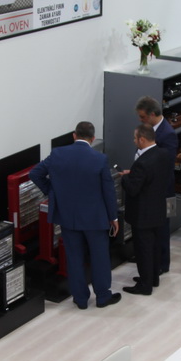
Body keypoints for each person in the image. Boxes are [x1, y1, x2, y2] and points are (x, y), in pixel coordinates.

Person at [30, 121, 121, 310]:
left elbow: (35, 174)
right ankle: (103, 296)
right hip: (95, 218)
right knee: (100, 258)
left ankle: (80, 299)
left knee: (74, 258)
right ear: (93, 138)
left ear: (74, 135)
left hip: (68, 217)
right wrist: (113, 217)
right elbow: (108, 191)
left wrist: (53, 192)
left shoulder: (57, 154)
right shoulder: (100, 159)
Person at [119, 124, 173, 295]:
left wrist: (125, 178)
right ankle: (153, 278)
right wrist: (134, 174)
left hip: (142, 214)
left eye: (135, 138)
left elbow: (133, 189)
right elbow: (152, 177)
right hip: (158, 209)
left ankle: (144, 285)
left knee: (143, 250)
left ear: (142, 139)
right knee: (154, 247)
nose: (133, 141)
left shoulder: (142, 162)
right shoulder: (163, 154)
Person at [135, 96, 178, 277]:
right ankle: (149, 259)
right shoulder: (150, 130)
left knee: (162, 227)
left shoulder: (167, 134)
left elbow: (165, 164)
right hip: (150, 188)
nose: (141, 120)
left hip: (163, 190)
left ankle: (162, 263)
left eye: (143, 117)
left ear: (152, 114)